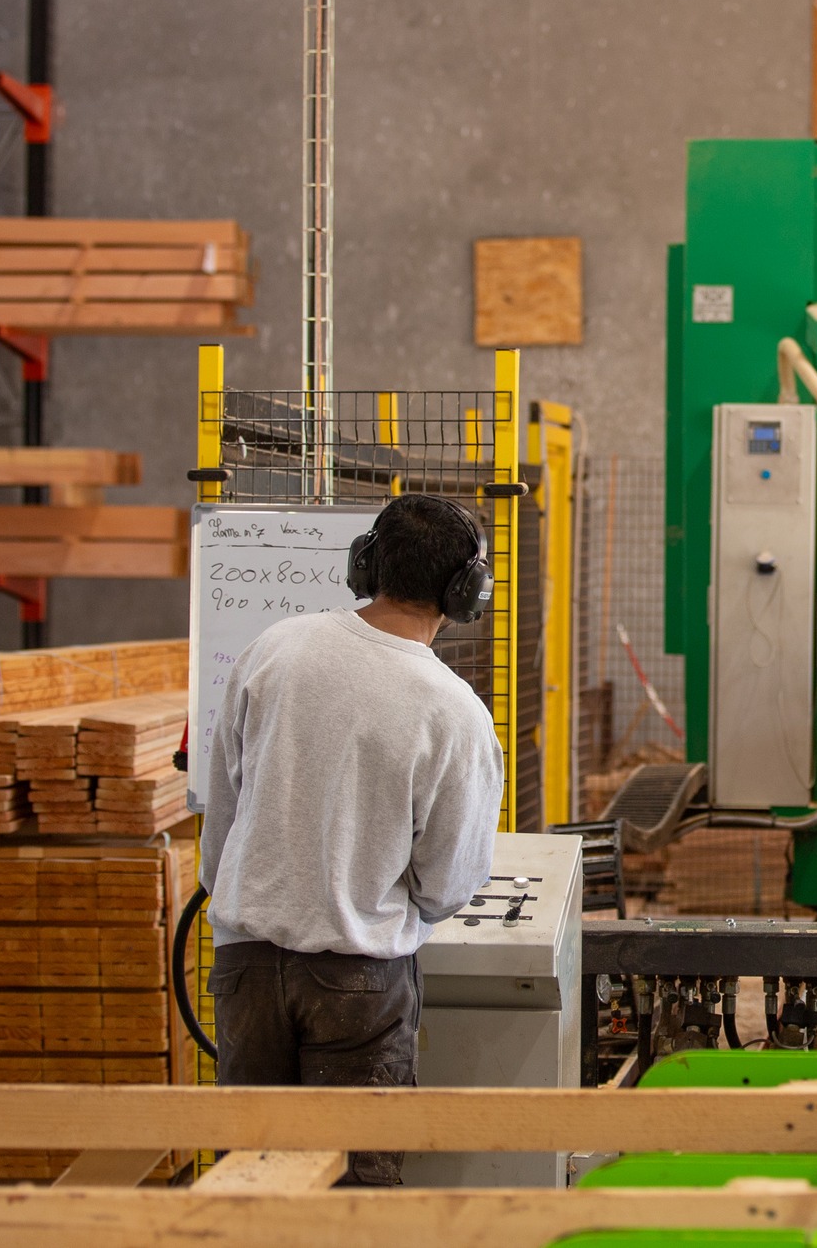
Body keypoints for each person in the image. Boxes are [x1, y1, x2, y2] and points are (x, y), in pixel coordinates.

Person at [200, 494, 504, 1185]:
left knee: (249, 1180)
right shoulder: (454, 712)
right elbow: (447, 883)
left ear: (364, 562)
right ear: (466, 592)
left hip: (245, 965)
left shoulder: (272, 648)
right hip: (358, 980)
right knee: (355, 1191)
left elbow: (223, 813)